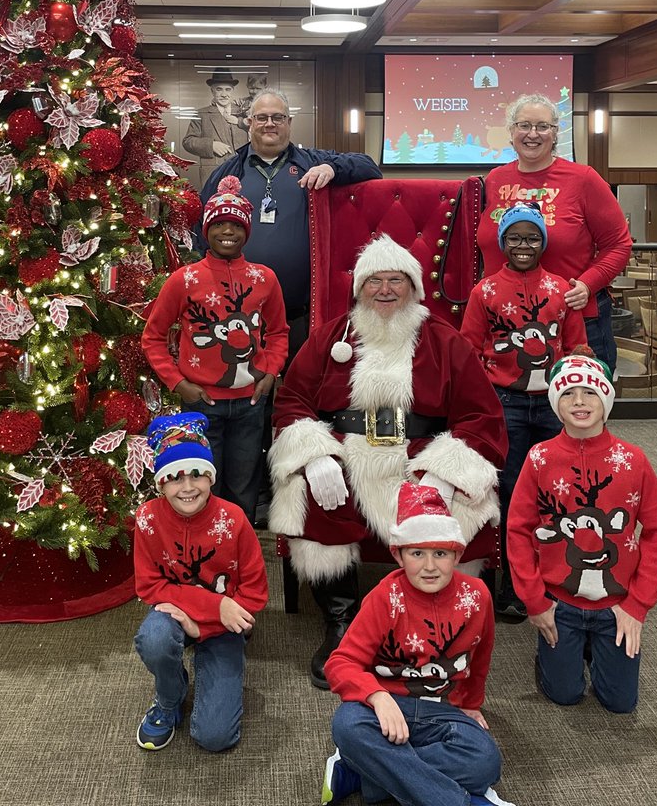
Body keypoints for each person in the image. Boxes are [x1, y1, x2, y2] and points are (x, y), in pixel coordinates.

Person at [269, 233, 507, 688]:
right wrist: (315, 455)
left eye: (395, 280)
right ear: (358, 289)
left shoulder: (444, 340)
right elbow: (293, 400)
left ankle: (432, 616)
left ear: (414, 287)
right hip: (345, 447)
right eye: (373, 281)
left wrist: (443, 470)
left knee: (463, 498)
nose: (384, 290)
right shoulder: (331, 336)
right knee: (312, 491)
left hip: (420, 453)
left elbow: (482, 415)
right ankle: (341, 621)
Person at [321, 481, 515, 806]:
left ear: (457, 554)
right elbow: (339, 664)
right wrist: (378, 696)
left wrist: (471, 703)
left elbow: (480, 657)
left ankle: (364, 772)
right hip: (383, 708)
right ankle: (457, 801)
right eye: (417, 553)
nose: (428, 566)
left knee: (485, 760)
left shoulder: (477, 596)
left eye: (440, 553)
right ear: (399, 555)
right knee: (347, 725)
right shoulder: (384, 597)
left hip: (441, 710)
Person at [507, 354, 657, 714]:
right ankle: (561, 653)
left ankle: (593, 650)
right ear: (555, 402)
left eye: (590, 393)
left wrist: (637, 605)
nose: (579, 402)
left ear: (607, 400)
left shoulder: (633, 460)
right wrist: (535, 602)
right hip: (559, 603)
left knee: (619, 702)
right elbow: (518, 531)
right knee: (564, 694)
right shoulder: (539, 458)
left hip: (616, 606)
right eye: (568, 394)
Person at [461, 201, 587, 619]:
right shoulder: (486, 291)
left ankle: (558, 577)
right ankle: (513, 586)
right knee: (512, 492)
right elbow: (469, 351)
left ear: (543, 243)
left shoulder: (562, 289)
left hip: (555, 408)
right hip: (506, 405)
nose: (523, 245)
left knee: (557, 492)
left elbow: (575, 350)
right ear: (502, 243)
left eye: (532, 238)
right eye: (514, 237)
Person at [141, 177, 288, 523]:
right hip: (199, 402)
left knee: (243, 483)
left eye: (235, 225)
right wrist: (179, 384)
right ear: (206, 230)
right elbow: (153, 337)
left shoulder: (264, 278)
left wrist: (271, 372)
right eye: (219, 224)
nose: (227, 232)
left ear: (246, 231)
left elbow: (279, 331)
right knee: (202, 482)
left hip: (251, 403)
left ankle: (239, 546)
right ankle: (206, 552)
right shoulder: (183, 280)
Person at [197, 89, 382, 358]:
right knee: (248, 392)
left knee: (295, 390)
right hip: (238, 314)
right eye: (261, 117)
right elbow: (202, 228)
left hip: (300, 313)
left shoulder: (312, 162)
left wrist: (333, 169)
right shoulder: (228, 171)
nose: (269, 123)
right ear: (249, 123)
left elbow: (370, 167)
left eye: (277, 117)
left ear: (289, 123)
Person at [132, 412, 269, 752]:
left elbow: (255, 593)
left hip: (224, 627)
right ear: (161, 483)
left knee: (214, 738)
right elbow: (149, 587)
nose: (188, 487)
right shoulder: (148, 519)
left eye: (197, 474)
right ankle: (169, 697)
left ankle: (214, 662)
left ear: (210, 477)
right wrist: (215, 604)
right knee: (154, 638)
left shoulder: (233, 519)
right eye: (175, 478)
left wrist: (201, 627)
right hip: (185, 613)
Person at [476, 92, 632, 372]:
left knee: (579, 411)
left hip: (576, 320)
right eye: (524, 125)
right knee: (506, 411)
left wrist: (587, 284)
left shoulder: (584, 179)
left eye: (542, 126)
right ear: (511, 132)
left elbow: (619, 244)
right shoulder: (495, 180)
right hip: (505, 323)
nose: (532, 134)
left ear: (555, 133)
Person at [182, 67, 248, 186]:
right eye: (219, 89)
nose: (224, 94)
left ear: (232, 91)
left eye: (228, 89)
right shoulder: (201, 114)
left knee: (241, 204)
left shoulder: (243, 113)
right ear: (212, 91)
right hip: (213, 173)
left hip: (241, 172)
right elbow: (188, 141)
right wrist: (211, 145)